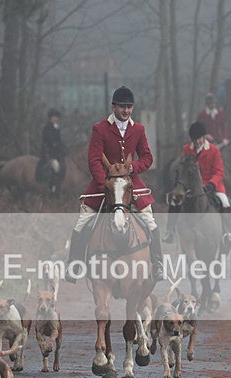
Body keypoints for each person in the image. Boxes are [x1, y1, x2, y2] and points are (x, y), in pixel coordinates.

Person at [64, 85, 165, 283]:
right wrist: (106, 184)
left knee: (149, 219)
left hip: (130, 182)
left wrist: (131, 168)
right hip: (104, 183)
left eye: (129, 107)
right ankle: (74, 264)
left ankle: (158, 263)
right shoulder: (100, 128)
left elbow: (147, 157)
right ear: (113, 107)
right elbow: (94, 160)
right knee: (82, 222)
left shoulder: (139, 129)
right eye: (122, 107)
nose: (126, 111)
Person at [163, 121, 231, 250]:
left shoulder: (214, 150)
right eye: (194, 139)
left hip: (212, 184)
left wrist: (212, 184)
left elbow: (219, 172)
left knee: (224, 202)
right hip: (190, 186)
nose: (196, 142)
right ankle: (170, 231)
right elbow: (183, 169)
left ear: (204, 137)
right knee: (175, 200)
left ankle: (227, 233)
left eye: (199, 139)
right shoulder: (186, 150)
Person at [36, 108, 67, 193]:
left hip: (56, 153)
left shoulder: (57, 128)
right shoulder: (47, 128)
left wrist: (65, 148)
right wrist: (58, 147)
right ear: (50, 118)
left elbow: (59, 141)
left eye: (56, 117)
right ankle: (52, 188)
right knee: (55, 166)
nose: (55, 119)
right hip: (48, 153)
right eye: (54, 117)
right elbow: (51, 142)